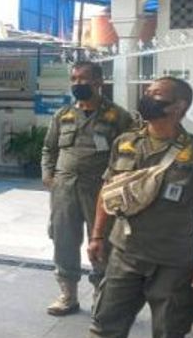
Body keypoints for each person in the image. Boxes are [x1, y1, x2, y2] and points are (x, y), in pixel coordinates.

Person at [57, 77, 193, 338]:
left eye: (157, 96)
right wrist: (98, 234)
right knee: (106, 318)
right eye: (147, 93)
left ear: (179, 107)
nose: (147, 98)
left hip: (174, 258)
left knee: (169, 329)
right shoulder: (126, 142)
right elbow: (109, 188)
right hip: (125, 250)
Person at [41, 62, 137, 315]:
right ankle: (67, 295)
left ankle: (101, 296)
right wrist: (48, 176)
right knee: (63, 240)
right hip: (64, 189)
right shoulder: (63, 115)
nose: (77, 84)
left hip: (99, 190)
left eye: (83, 79)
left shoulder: (118, 116)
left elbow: (130, 153)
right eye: (73, 78)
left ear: (98, 82)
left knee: (102, 242)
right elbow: (48, 149)